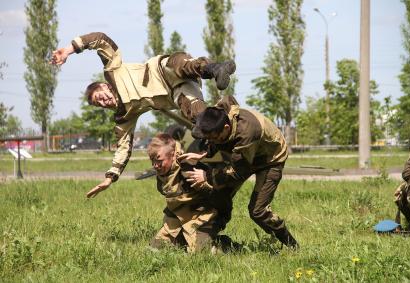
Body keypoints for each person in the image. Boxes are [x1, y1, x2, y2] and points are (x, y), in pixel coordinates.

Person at [50, 32, 236, 197]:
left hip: (162, 71)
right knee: (200, 120)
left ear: (105, 86)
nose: (103, 102)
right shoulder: (124, 115)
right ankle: (233, 133)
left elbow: (100, 40)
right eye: (99, 104)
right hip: (177, 92)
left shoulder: (112, 71)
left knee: (179, 65)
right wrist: (110, 177)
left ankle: (215, 69)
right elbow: (123, 148)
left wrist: (68, 50)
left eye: (101, 96)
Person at [180, 96, 299, 249]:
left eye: (213, 137)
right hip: (246, 155)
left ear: (226, 128)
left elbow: (238, 171)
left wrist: (207, 176)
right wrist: (204, 152)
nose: (211, 140)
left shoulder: (247, 132)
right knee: (218, 193)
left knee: (258, 211)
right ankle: (205, 239)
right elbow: (215, 139)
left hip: (270, 159)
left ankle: (292, 246)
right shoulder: (216, 115)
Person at [147, 133, 227, 253]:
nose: (155, 165)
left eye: (159, 160)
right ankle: (185, 238)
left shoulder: (189, 171)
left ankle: (224, 244)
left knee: (201, 253)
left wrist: (220, 219)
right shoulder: (164, 173)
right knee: (155, 249)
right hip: (178, 215)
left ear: (173, 155)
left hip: (203, 216)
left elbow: (219, 197)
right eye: (152, 160)